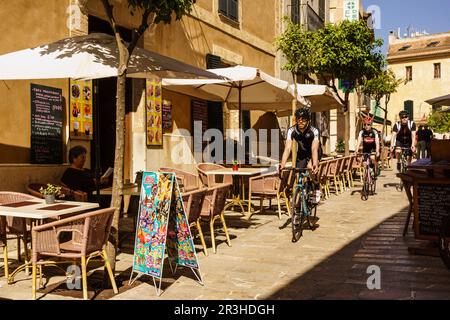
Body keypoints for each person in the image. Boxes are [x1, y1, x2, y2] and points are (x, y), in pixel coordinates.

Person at [280, 107, 322, 174]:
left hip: (315, 152)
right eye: (298, 119)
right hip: (302, 153)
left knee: (309, 167)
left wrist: (315, 163)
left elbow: (314, 149)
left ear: (308, 120)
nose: (301, 121)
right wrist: (282, 164)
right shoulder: (291, 130)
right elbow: (287, 148)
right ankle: (302, 183)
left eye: (303, 119)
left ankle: (315, 183)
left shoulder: (314, 131)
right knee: (298, 172)